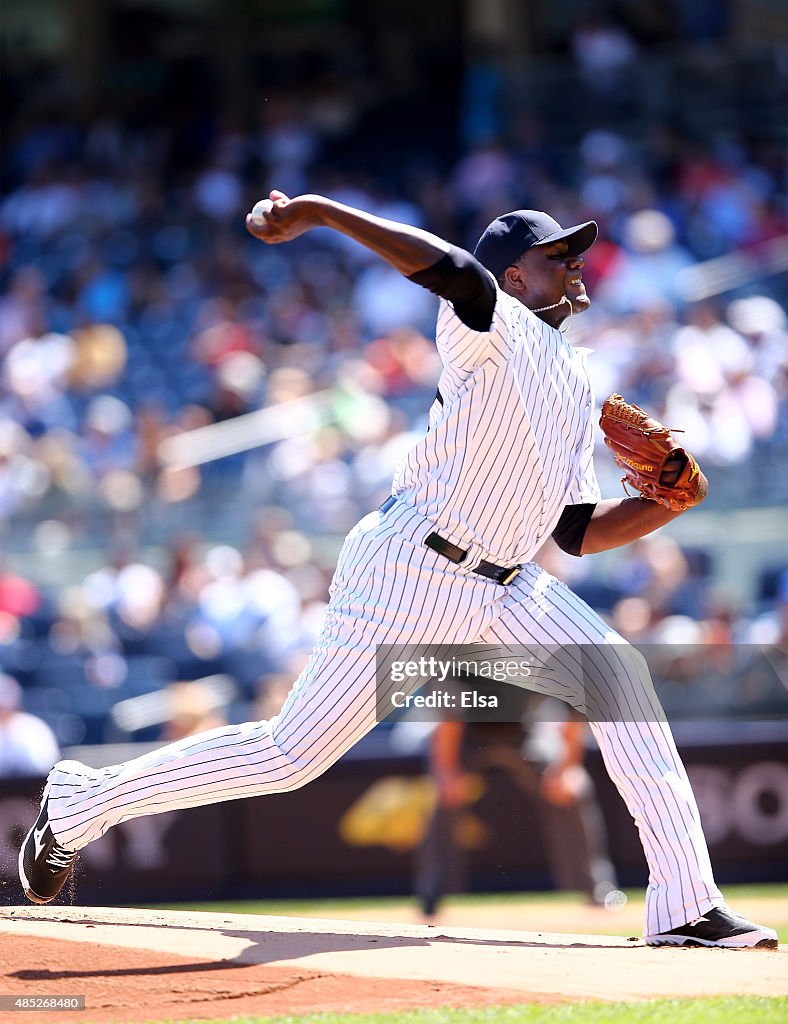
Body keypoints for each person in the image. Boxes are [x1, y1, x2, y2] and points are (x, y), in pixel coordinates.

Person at [20, 190, 776, 949]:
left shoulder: (577, 381)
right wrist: (319, 211)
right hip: (414, 570)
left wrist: (668, 505)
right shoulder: (491, 325)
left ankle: (684, 905)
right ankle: (84, 802)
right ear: (513, 279)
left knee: (621, 678)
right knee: (291, 757)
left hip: (508, 585)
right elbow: (448, 266)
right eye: (557, 256)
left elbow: (576, 532)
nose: (575, 266)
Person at [416, 709, 619, 920]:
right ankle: (430, 894)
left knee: (576, 787)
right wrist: (447, 773)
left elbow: (573, 713)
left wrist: (568, 768)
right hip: (470, 733)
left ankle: (598, 887)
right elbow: (448, 719)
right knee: (441, 795)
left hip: (526, 730)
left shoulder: (550, 675)